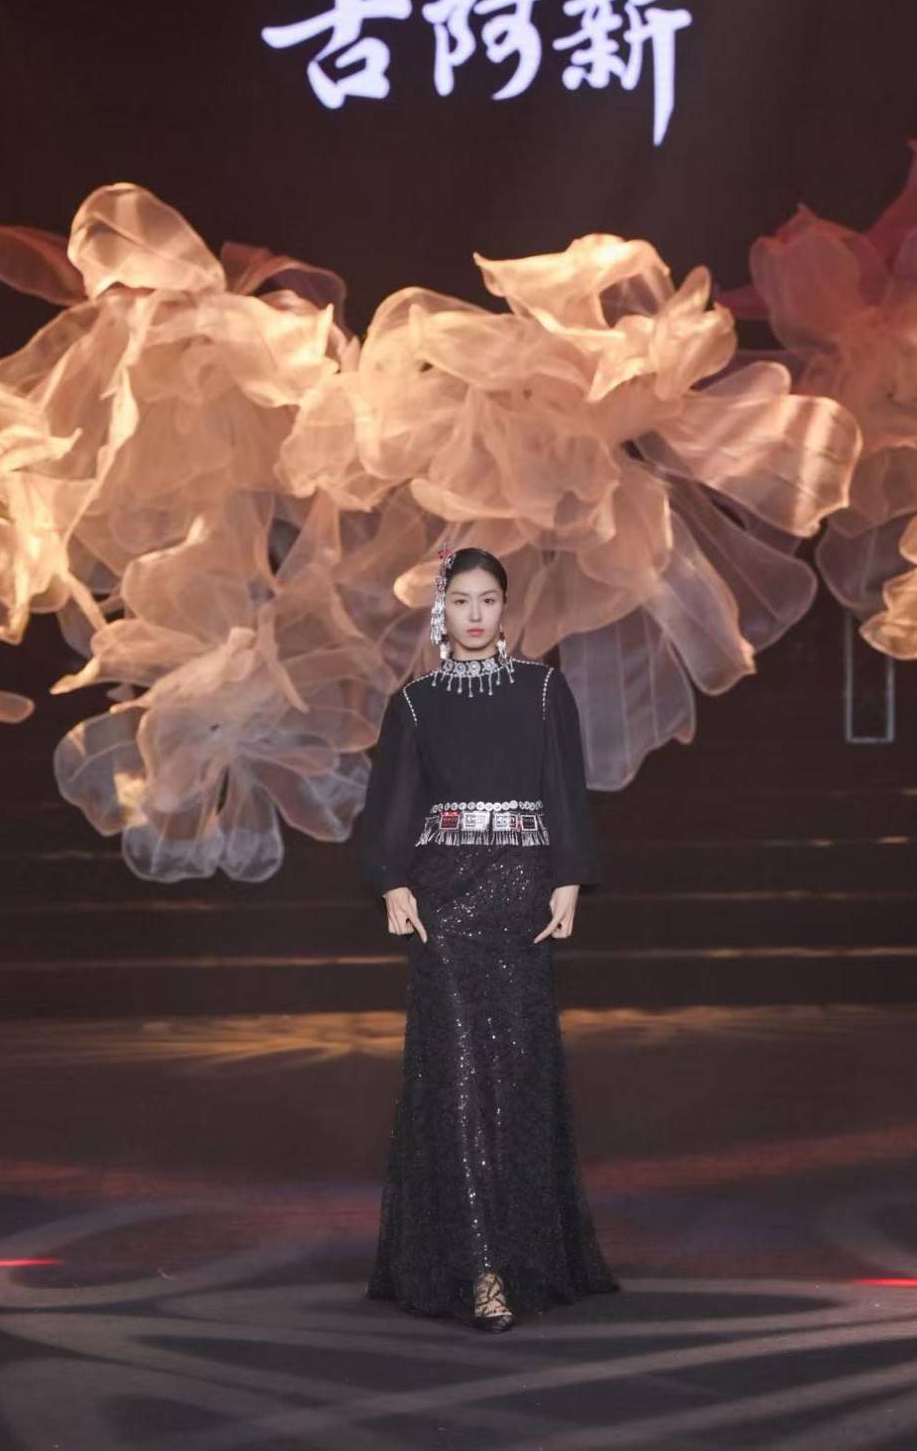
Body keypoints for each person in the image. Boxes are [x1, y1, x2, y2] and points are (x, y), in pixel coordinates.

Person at [356, 541, 620, 1332]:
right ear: (443, 610)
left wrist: (568, 878)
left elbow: (565, 788)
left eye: (489, 600)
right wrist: (393, 882)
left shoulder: (543, 690)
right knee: (459, 1077)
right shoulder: (416, 703)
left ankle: (526, 1251)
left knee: (519, 1074)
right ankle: (480, 1269)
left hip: (523, 896)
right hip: (445, 903)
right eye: (461, 601)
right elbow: (390, 805)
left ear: (506, 608)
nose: (475, 615)